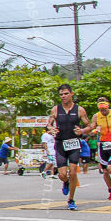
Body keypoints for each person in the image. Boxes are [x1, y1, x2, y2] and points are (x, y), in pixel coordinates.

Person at [46, 83, 89, 211]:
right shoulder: (56, 109)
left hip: (74, 143)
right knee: (62, 174)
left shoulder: (80, 110)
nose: (63, 96)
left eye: (66, 94)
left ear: (71, 94)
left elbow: (88, 126)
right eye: (61, 95)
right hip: (60, 144)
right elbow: (49, 124)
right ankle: (65, 182)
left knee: (73, 172)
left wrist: (82, 131)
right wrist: (51, 129)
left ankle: (71, 199)